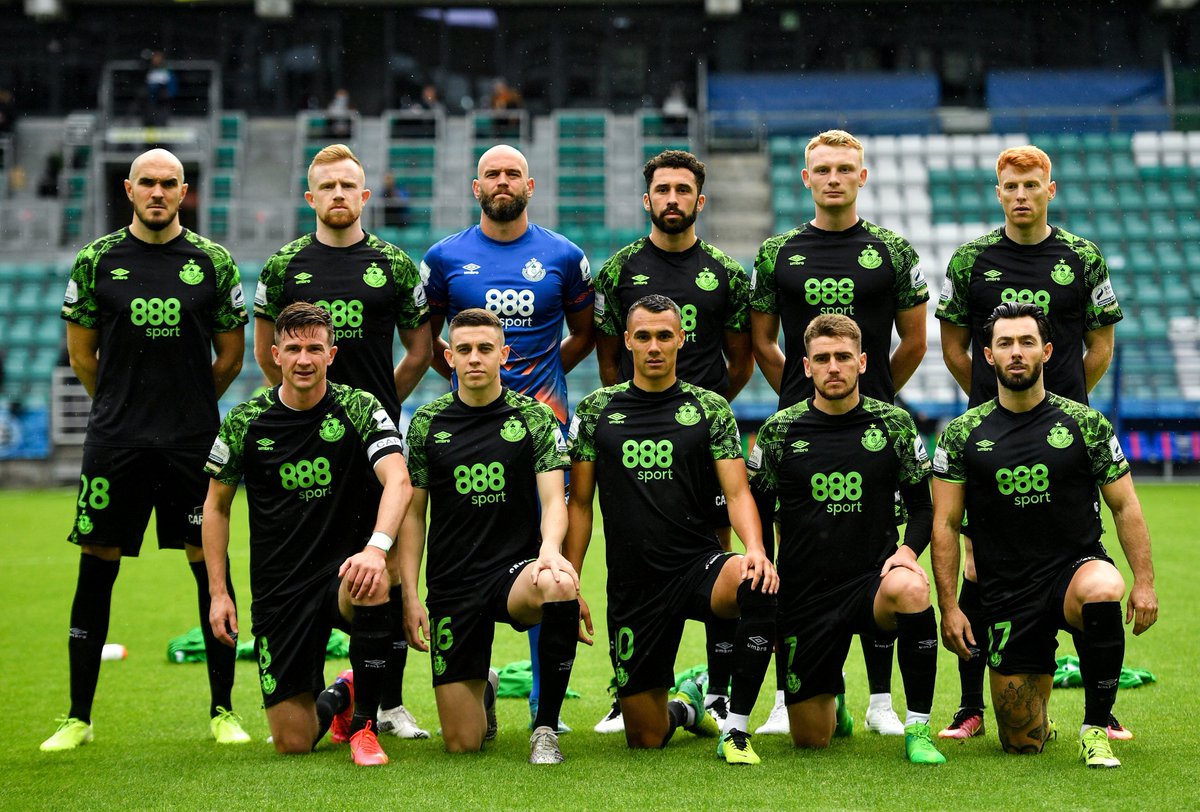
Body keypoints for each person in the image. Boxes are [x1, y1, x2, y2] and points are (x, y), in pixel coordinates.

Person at [43, 148, 248, 752]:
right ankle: (78, 717)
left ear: (184, 191)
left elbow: (230, 358)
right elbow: (82, 356)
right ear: (129, 189)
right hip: (117, 442)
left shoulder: (213, 262)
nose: (158, 193)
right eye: (147, 183)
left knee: (210, 565)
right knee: (97, 565)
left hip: (192, 444)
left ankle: (223, 710)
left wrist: (186, 406)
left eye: (169, 184)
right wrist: (122, 407)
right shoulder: (96, 260)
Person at [935, 145, 1125, 741]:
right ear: (999, 192)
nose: (1021, 195)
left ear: (1050, 189)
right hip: (990, 440)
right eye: (1011, 186)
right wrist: (994, 407)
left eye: (1032, 185)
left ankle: (1101, 710)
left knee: (1078, 552)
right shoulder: (971, 260)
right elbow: (954, 347)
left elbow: (1100, 345)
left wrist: (1060, 407)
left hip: (1064, 441)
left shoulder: (1083, 257)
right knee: (977, 562)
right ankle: (971, 705)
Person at [749, 128, 929, 737]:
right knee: (792, 552)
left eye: (844, 169)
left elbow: (915, 341)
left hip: (871, 427)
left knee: (876, 546)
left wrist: (875, 396)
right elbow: (762, 341)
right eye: (822, 169)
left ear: (862, 176)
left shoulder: (893, 250)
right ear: (806, 178)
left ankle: (881, 701)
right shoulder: (777, 252)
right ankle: (788, 696)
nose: (833, 178)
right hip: (802, 426)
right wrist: (794, 396)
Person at [255, 143, 432, 740]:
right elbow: (267, 354)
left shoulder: (394, 264)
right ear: (311, 197)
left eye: (347, 186)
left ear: (364, 195)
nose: (337, 194)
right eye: (326, 186)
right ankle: (325, 694)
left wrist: (378, 407)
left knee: (389, 570)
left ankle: (389, 705)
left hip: (374, 448)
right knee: (308, 564)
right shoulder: (283, 266)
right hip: (308, 449)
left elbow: (419, 350)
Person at [931, 302, 1156, 767]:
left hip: (1073, 571)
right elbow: (947, 524)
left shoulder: (1086, 424)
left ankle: (1096, 727)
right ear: (988, 355)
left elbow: (1124, 505)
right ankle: (1040, 714)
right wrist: (950, 607)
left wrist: (1145, 582)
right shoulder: (962, 434)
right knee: (1021, 741)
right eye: (1005, 343)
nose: (1016, 352)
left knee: (1103, 587)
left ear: (1047, 352)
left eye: (1027, 342)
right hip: (1006, 589)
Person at [421, 143, 595, 730]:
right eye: (492, 174)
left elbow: (584, 333)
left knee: (548, 553)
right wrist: (470, 385)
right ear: (476, 187)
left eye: (512, 173)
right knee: (468, 550)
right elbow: (429, 343)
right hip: (469, 433)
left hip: (541, 430)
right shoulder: (443, 258)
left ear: (530, 185)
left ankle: (545, 703)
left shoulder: (564, 256)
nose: (502, 181)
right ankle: (478, 676)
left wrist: (540, 380)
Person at [565, 294, 778, 765]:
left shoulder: (710, 408)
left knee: (755, 582)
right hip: (634, 585)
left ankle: (736, 728)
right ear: (627, 341)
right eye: (643, 336)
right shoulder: (597, 410)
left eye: (664, 335)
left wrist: (756, 548)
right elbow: (579, 504)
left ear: (681, 339)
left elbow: (738, 493)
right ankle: (686, 708)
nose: (654, 346)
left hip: (697, 566)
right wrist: (571, 578)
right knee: (646, 737)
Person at [203, 302, 412, 766]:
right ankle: (342, 694)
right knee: (292, 742)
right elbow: (215, 508)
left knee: (372, 581)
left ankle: (364, 728)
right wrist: (218, 592)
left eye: (315, 349)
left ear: (331, 355)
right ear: (275, 354)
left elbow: (398, 480)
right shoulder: (245, 420)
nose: (304, 359)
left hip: (342, 572)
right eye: (294, 349)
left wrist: (376, 549)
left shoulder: (359, 407)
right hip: (279, 589)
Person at [591, 149, 752, 734]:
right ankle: (631, 691)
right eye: (663, 190)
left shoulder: (727, 273)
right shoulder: (618, 271)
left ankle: (718, 690)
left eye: (683, 190)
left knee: (720, 557)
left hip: (702, 441)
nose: (673, 199)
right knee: (631, 552)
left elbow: (740, 361)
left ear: (699, 200)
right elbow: (608, 360)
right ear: (647, 199)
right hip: (634, 432)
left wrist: (701, 415)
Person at [747, 314, 944, 765]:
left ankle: (918, 727)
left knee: (912, 588)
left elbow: (923, 508)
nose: (833, 367)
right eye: (822, 359)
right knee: (810, 740)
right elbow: (758, 512)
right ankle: (831, 699)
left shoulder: (895, 424)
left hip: (873, 584)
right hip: (806, 594)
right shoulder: (779, 430)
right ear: (806, 366)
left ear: (863, 362)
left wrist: (907, 552)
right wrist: (767, 581)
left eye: (842, 357)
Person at [400, 308, 582, 764]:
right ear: (449, 357)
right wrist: (410, 593)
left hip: (514, 574)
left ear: (503, 354)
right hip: (453, 583)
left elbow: (554, 500)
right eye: (464, 349)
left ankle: (545, 729)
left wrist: (550, 550)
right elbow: (413, 515)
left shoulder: (534, 417)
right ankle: (486, 689)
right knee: (463, 743)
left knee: (559, 584)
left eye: (485, 348)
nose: (474, 358)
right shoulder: (426, 422)